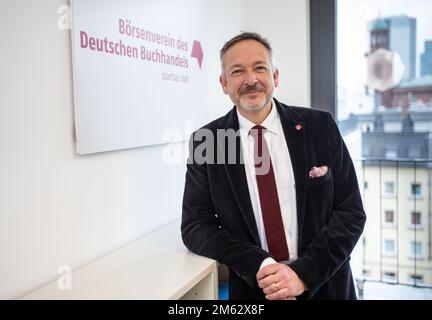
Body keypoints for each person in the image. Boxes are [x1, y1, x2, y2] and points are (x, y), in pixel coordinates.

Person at [181, 32, 366, 300]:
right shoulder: (208, 141)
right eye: (237, 71)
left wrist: (302, 274)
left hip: (325, 284)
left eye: (259, 68)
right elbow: (195, 225)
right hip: (256, 289)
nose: (251, 79)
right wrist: (260, 264)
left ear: (275, 76)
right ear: (224, 83)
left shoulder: (320, 126)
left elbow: (350, 212)